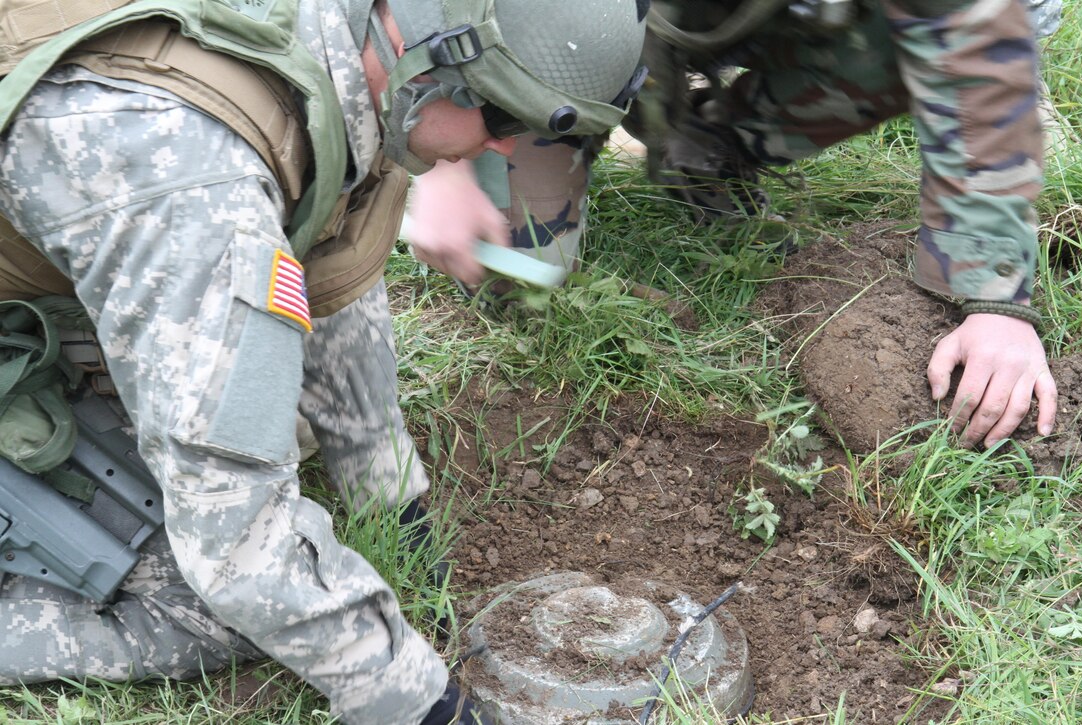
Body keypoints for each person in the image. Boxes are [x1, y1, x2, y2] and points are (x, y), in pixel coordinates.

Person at [0, 1, 647, 723]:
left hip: (88, 243)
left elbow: (328, 249)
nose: (503, 152)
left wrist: (388, 492)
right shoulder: (197, 186)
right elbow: (238, 549)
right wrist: (421, 703)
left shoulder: (347, 50)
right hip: (112, 231)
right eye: (501, 120)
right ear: (425, 62)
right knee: (212, 601)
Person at [407, 0, 1060, 450]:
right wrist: (438, 151)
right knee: (516, 269)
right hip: (565, 28)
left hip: (745, 18)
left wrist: (996, 303)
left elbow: (981, 47)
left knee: (970, 25)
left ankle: (706, 142)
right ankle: (566, 110)